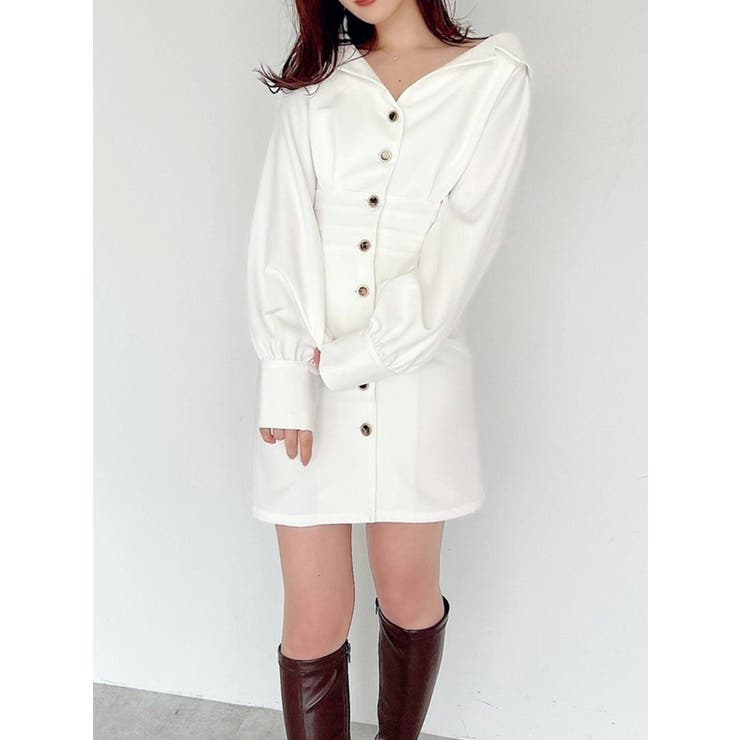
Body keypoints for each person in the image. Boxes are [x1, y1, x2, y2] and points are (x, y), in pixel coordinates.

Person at [245, 0, 532, 737]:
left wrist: (362, 356)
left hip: (418, 376)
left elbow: (460, 249)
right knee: (314, 616)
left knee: (408, 595)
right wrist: (288, 371)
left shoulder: (492, 76)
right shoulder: (316, 82)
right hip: (307, 379)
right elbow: (283, 229)